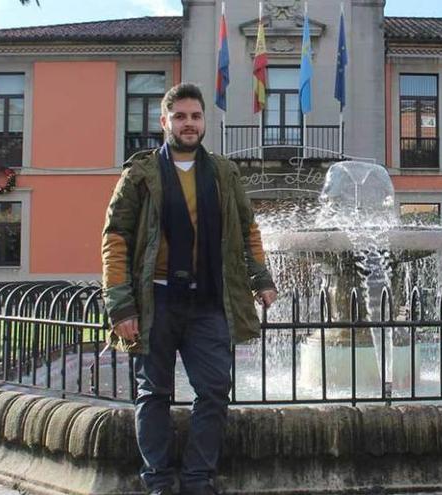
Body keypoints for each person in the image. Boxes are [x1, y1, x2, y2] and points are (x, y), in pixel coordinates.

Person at [101, 82, 278, 495]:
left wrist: (261, 277)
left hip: (208, 301)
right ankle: (160, 482)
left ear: (204, 121)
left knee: (215, 390)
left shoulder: (223, 172)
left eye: (195, 116)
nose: (188, 123)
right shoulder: (140, 174)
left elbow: (247, 227)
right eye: (179, 116)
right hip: (155, 301)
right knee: (153, 393)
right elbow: (116, 238)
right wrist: (121, 306)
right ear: (164, 122)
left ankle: (198, 479)